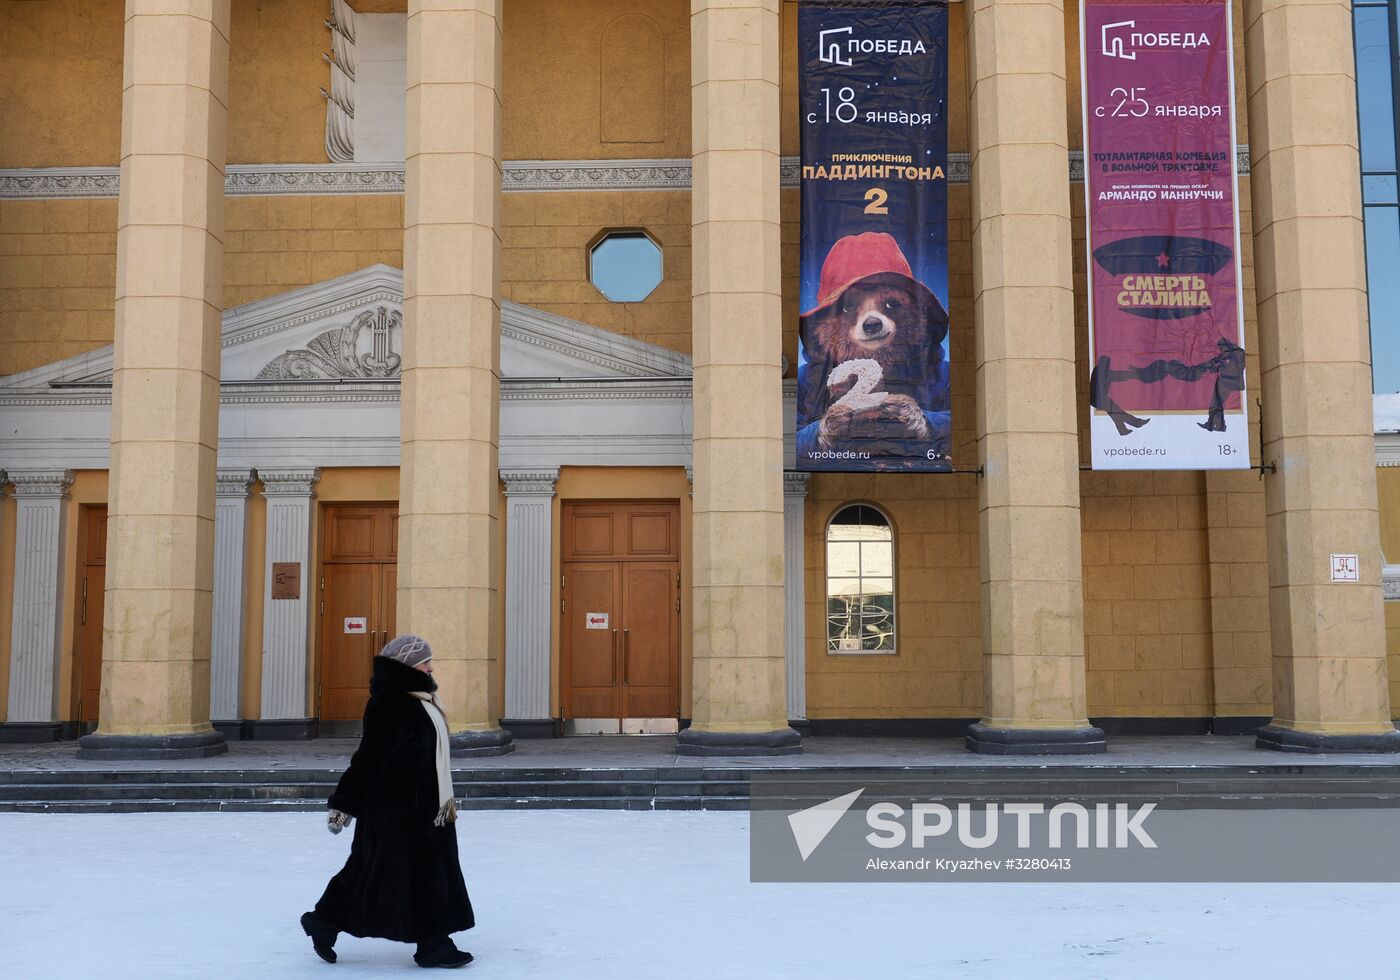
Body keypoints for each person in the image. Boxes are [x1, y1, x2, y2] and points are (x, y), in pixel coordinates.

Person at [300, 634, 475, 969]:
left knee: (427, 872)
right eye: (425, 661)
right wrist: (345, 802)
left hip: (427, 807)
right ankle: (324, 922)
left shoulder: (417, 697)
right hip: (394, 809)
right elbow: (370, 757)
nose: (431, 666)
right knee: (368, 870)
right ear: (409, 664)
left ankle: (433, 943)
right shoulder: (391, 702)